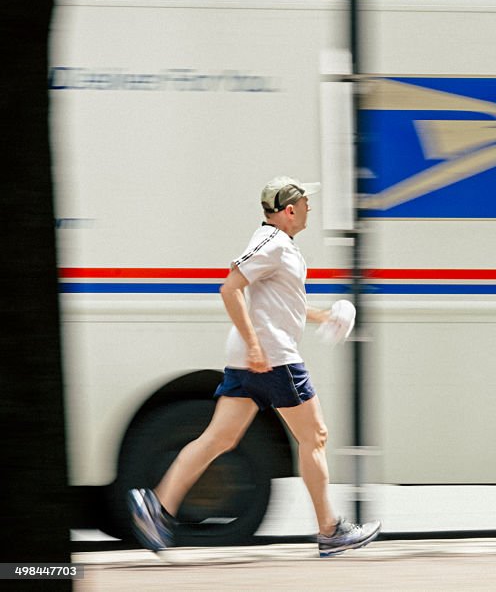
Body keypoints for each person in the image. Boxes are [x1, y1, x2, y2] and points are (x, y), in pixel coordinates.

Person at [128, 176, 380, 557]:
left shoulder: (280, 246)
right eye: (306, 202)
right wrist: (256, 345)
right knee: (316, 437)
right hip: (273, 358)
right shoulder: (271, 243)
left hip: (255, 358)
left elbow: (281, 305)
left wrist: (323, 316)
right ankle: (330, 530)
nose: (311, 207)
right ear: (289, 209)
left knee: (219, 439)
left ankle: (158, 507)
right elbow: (230, 288)